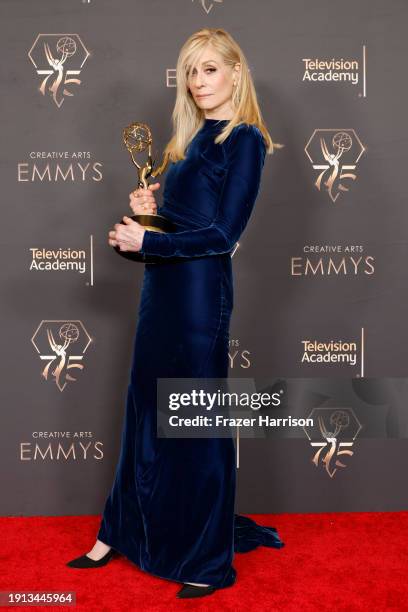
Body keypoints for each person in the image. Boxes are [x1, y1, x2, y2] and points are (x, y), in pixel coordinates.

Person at [67, 27, 284, 599]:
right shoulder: (188, 142)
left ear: (236, 72)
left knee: (194, 420)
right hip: (160, 291)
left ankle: (205, 559)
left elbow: (223, 234)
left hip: (198, 297)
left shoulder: (246, 141)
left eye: (210, 69)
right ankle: (120, 532)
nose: (198, 81)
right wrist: (149, 210)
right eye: (191, 71)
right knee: (144, 408)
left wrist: (149, 244)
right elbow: (182, 221)